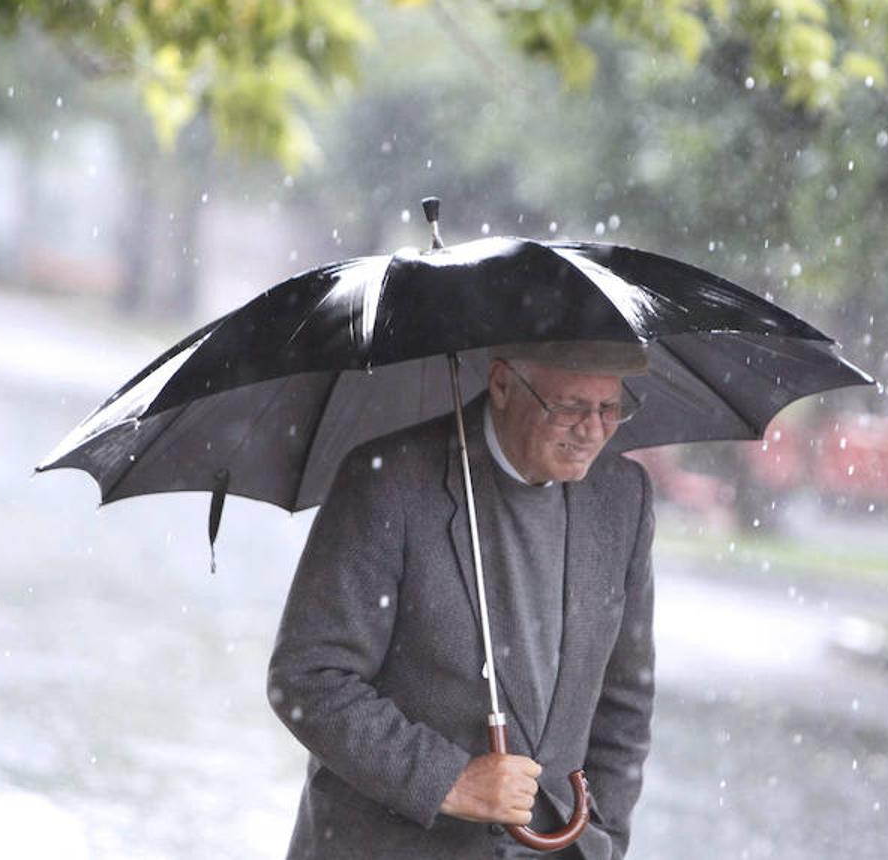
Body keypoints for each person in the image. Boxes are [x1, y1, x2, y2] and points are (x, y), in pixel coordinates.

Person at [268, 340, 656, 859]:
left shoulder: (624, 495)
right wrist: (450, 781)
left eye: (611, 409)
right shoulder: (387, 480)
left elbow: (625, 699)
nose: (592, 431)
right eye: (569, 407)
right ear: (501, 383)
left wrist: (600, 837)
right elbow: (309, 677)